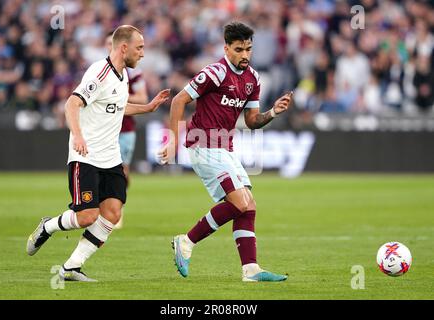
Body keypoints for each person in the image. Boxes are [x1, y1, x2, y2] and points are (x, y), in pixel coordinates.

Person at [26, 25, 170, 282]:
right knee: (87, 216)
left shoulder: (123, 75)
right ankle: (48, 225)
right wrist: (78, 135)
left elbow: (117, 105)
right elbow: (72, 103)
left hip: (111, 158)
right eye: (140, 48)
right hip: (86, 157)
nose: (143, 54)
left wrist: (147, 108)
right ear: (123, 47)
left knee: (113, 213)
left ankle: (71, 267)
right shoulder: (99, 72)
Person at [158, 22, 293, 282]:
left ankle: (251, 270)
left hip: (225, 147)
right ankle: (185, 241)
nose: (245, 55)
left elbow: (252, 121)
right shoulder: (215, 73)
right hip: (203, 144)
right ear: (226, 48)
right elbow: (178, 100)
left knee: (249, 207)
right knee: (240, 203)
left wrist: (274, 112)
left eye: (249, 49)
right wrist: (174, 140)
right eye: (239, 49)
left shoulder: (253, 78)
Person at [104, 32, 149, 229]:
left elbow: (142, 97)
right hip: (105, 129)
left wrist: (120, 98)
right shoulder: (101, 71)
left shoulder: (134, 73)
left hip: (125, 129)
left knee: (122, 170)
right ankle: (106, 209)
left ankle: (118, 209)